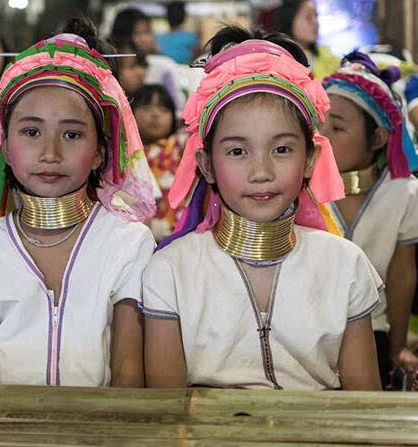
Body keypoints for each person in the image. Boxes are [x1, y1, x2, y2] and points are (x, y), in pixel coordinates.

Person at [143, 26, 382, 390]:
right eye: (237, 151)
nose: (261, 172)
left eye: (282, 149)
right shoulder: (170, 273)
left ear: (310, 158)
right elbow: (166, 415)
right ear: (206, 164)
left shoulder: (346, 266)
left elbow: (364, 411)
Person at [0, 18, 157, 387]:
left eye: (72, 134)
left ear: (100, 151)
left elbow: (128, 378)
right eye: (31, 132)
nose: (50, 152)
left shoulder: (130, 244)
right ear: (6, 149)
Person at [321, 52, 418, 388]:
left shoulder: (403, 192)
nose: (323, 138)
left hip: (375, 331)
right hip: (312, 334)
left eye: (337, 127)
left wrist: (398, 348)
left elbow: (402, 274)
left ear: (377, 138)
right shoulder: (301, 188)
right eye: (319, 126)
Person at [132, 84, 185, 241]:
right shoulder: (121, 152)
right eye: (146, 108)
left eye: (163, 110)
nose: (155, 115)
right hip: (136, 241)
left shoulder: (180, 145)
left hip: (177, 239)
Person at [271, 0, 339, 80]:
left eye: (316, 16)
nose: (315, 22)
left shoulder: (328, 58)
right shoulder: (274, 59)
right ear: (289, 19)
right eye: (308, 17)